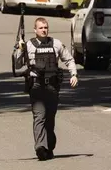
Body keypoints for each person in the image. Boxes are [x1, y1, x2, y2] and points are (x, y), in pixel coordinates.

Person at [13, 17, 78, 161]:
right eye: (41, 28)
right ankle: (40, 148)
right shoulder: (28, 45)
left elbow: (69, 60)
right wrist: (19, 49)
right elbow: (17, 65)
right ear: (35, 30)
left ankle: (49, 146)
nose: (44, 30)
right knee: (39, 116)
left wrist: (74, 74)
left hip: (52, 86)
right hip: (36, 86)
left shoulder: (56, 44)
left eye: (45, 27)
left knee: (49, 119)